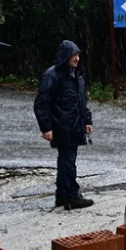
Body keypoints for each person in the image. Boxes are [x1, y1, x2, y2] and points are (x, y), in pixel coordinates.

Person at [34, 40, 94, 210]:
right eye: (74, 55)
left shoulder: (76, 75)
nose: (77, 59)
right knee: (68, 162)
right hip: (62, 126)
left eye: (78, 55)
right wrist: (46, 127)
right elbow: (41, 103)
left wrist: (87, 120)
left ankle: (62, 195)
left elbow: (82, 101)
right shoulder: (52, 75)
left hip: (75, 126)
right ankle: (72, 197)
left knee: (66, 161)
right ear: (65, 56)